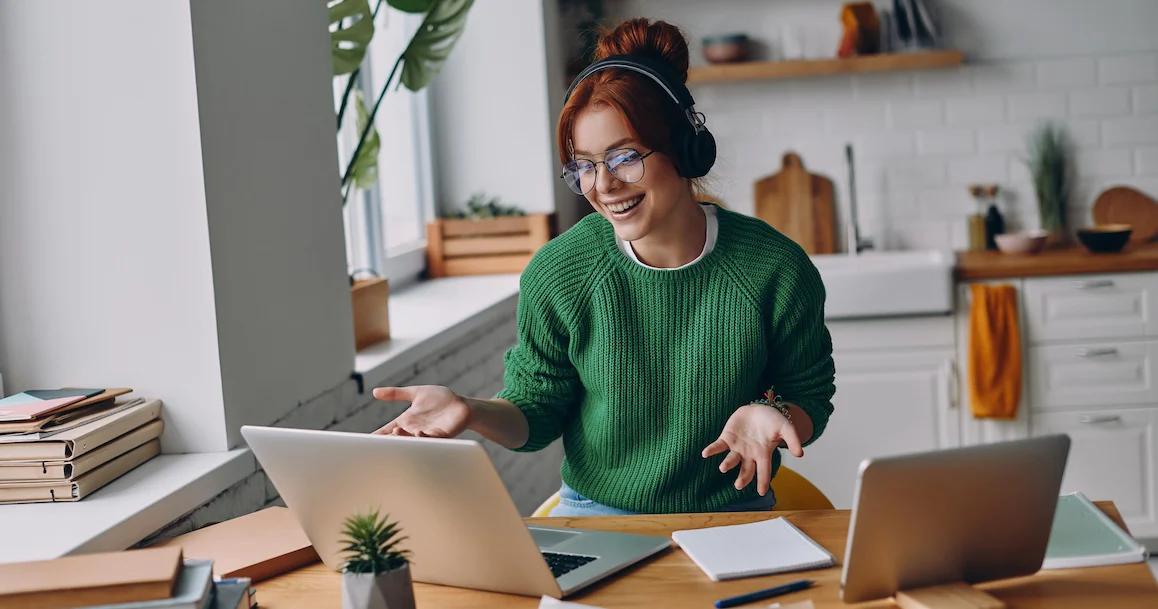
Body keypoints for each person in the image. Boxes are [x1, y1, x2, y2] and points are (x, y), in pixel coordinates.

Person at [372, 18, 835, 516]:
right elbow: (536, 413)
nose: (604, 185)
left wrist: (774, 412)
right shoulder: (560, 272)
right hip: (596, 516)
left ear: (685, 147)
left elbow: (809, 393)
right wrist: (472, 411)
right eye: (585, 165)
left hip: (731, 514)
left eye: (625, 157)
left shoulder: (774, 268)